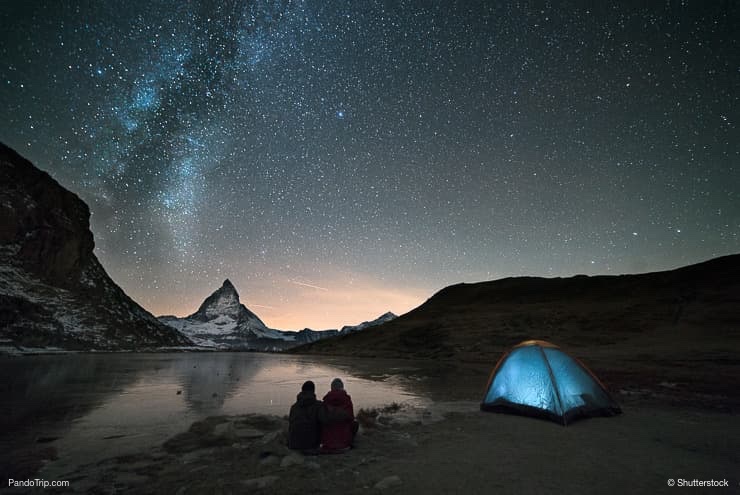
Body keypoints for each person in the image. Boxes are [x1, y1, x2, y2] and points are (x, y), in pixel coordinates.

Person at [320, 378, 359, 453]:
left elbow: (321, 419)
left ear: (331, 388)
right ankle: (350, 441)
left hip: (327, 445)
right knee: (355, 423)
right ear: (342, 388)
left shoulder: (326, 400)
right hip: (344, 446)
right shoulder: (347, 400)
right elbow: (351, 418)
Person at [288, 380, 322, 453]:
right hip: (311, 445)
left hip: (294, 445)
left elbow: (290, 425)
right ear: (313, 391)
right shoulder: (318, 405)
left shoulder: (294, 407)